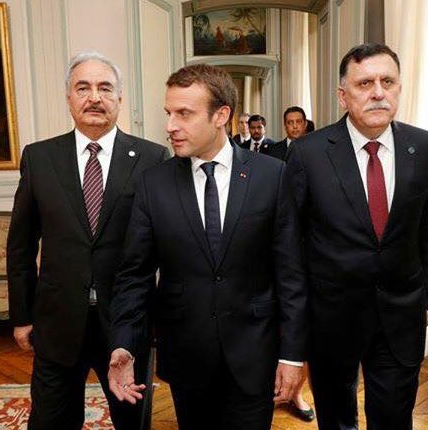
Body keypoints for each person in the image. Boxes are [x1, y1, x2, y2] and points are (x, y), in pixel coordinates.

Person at [107, 64, 308, 430]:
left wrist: (293, 355)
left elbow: (291, 273)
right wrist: (124, 343)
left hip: (254, 354)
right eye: (168, 113)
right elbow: (134, 275)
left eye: (184, 113)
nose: (170, 125)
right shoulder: (153, 184)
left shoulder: (272, 175)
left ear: (221, 116)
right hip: (187, 357)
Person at [286, 43, 428, 430]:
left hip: (402, 314)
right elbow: (291, 243)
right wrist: (297, 316)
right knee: (337, 420)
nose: (378, 92)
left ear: (399, 88)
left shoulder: (426, 147)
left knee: (393, 419)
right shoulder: (308, 153)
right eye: (365, 83)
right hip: (330, 318)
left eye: (387, 82)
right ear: (343, 95)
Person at [7, 51, 170, 430]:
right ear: (68, 98)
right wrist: (22, 316)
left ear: (119, 98)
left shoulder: (152, 158)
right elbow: (21, 245)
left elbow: (168, 248)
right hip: (57, 322)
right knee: (50, 422)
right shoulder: (39, 158)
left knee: (132, 422)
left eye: (105, 88)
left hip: (127, 324)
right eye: (83, 88)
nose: (94, 97)